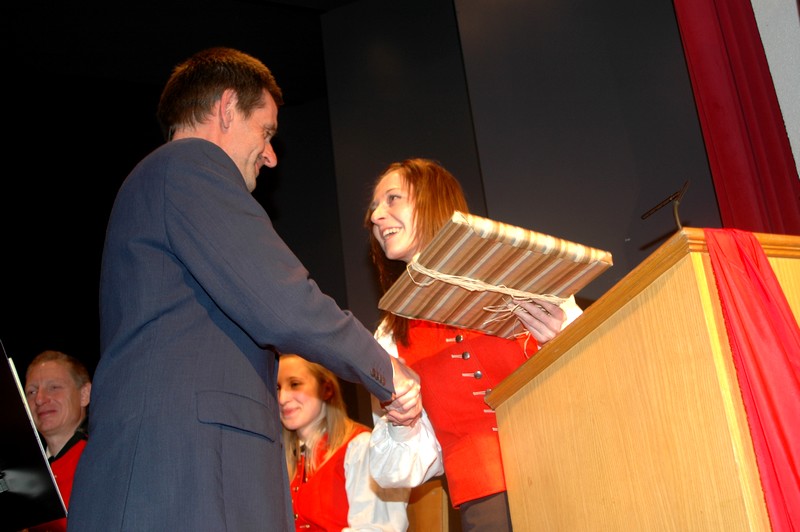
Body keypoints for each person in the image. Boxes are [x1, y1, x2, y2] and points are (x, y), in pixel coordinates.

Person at [66, 47, 422, 532]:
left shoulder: (156, 183)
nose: (271, 156)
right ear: (227, 107)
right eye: (267, 132)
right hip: (182, 479)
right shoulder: (190, 165)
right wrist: (388, 372)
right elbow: (285, 302)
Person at [365, 158, 584, 531]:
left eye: (392, 199)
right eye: (374, 207)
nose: (376, 216)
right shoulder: (390, 335)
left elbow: (602, 373)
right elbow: (403, 466)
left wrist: (562, 343)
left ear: (434, 200)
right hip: (486, 503)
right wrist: (404, 420)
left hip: (572, 466)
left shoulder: (522, 274)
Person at [279, 353, 425, 531]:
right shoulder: (281, 461)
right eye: (277, 387)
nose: (282, 398)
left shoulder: (361, 447)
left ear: (327, 389)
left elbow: (377, 528)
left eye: (295, 384)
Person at [24, 350, 92, 532]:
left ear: (84, 394)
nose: (39, 399)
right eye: (31, 391)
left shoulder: (102, 460)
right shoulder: (22, 476)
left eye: (54, 387)